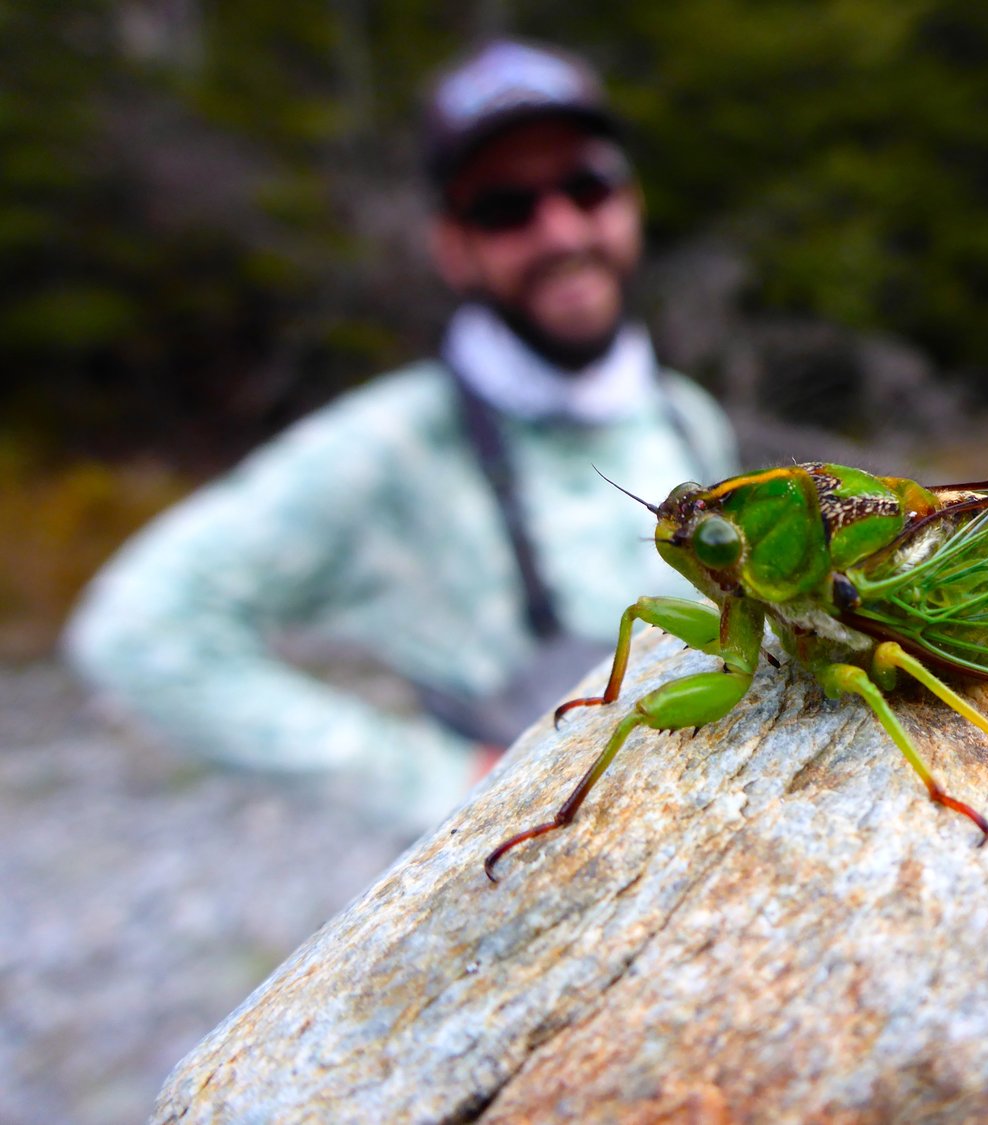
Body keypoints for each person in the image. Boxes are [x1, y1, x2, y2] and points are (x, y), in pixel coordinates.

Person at [64, 38, 738, 833]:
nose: (559, 229)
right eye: (504, 208)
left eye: (586, 185)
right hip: (520, 860)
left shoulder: (687, 414)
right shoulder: (385, 443)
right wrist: (436, 780)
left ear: (629, 203)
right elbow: (139, 627)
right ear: (453, 245)